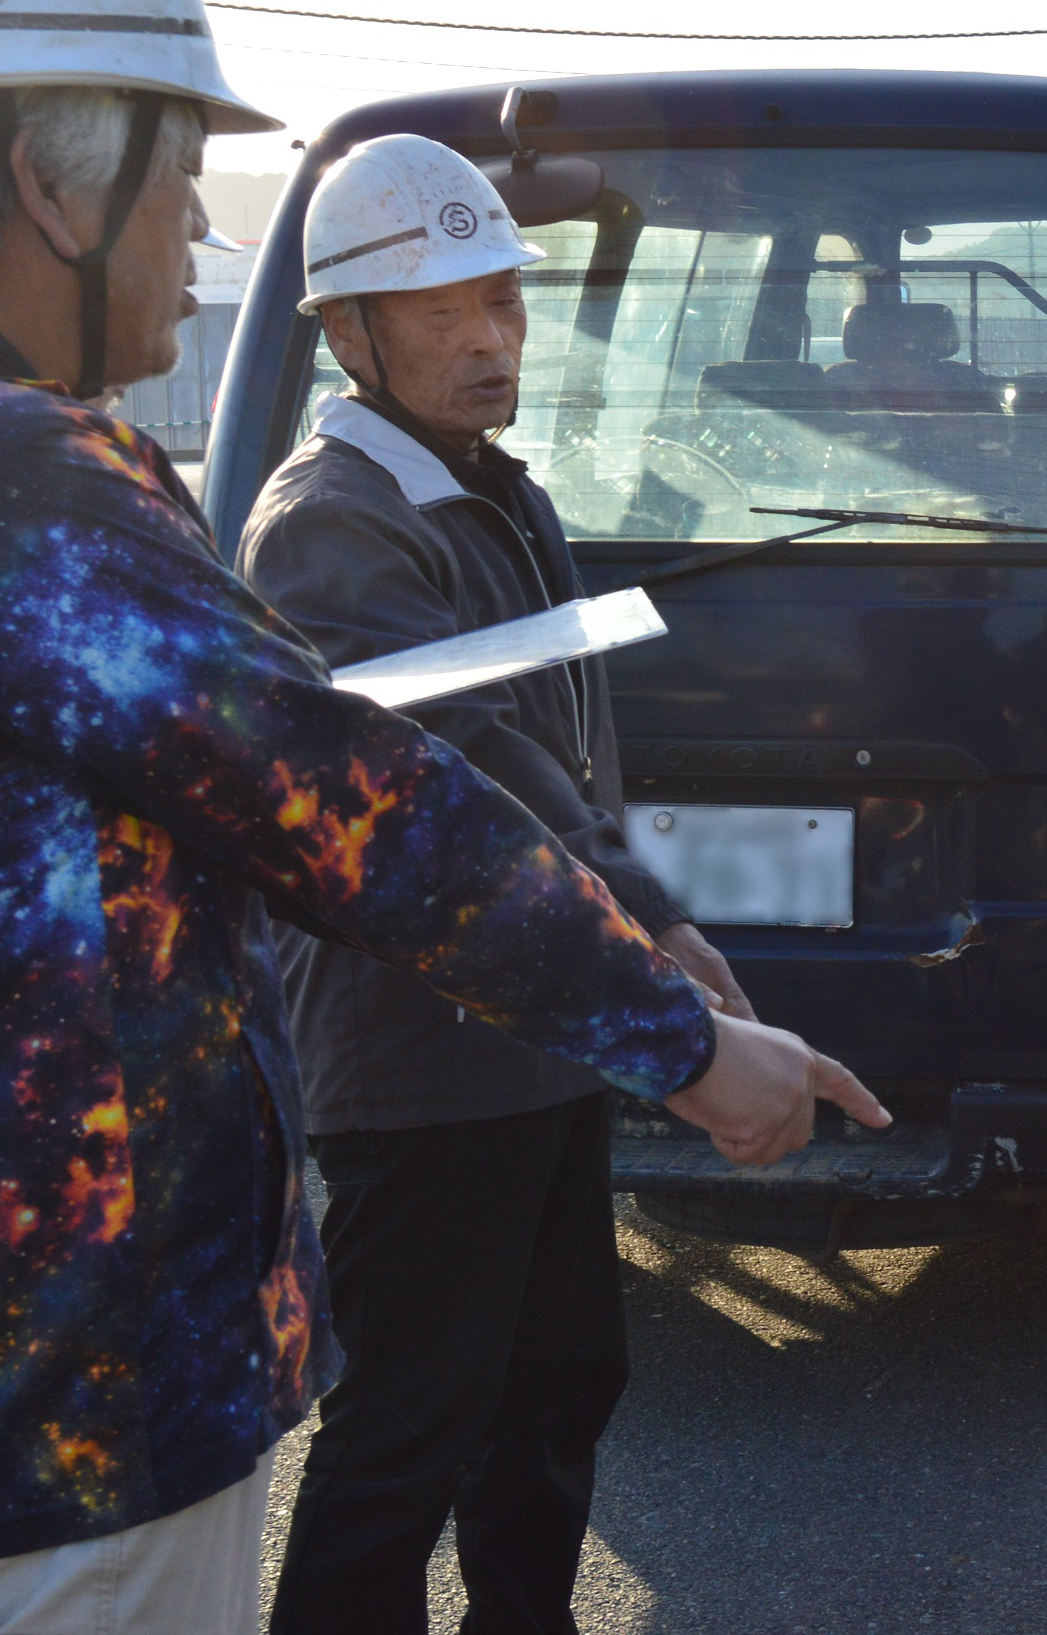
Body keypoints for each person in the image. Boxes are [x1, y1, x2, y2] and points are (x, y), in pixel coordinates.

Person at [0, 0, 883, 1635]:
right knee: (418, 1420)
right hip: (50, 1460)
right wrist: (685, 1042)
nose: (194, 251)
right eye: (178, 182)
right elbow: (373, 815)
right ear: (58, 182)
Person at [236, 133, 755, 1631]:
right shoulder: (335, 522)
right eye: (444, 312)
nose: (490, 341)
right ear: (348, 330)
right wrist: (649, 925)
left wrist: (654, 921)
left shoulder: (495, 494)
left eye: (503, 306)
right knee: (409, 1427)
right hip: (414, 1058)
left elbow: (562, 755)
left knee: (553, 1392)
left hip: (534, 1030)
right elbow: (463, 768)